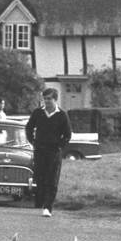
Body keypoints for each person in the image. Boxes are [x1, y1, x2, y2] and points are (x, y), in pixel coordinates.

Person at [25, 86, 72, 216]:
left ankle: (48, 207)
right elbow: (29, 128)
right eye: (45, 98)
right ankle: (40, 201)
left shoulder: (62, 115)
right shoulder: (38, 113)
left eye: (49, 99)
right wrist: (33, 141)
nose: (46, 101)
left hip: (54, 152)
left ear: (55, 100)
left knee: (52, 179)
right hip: (39, 150)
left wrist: (59, 146)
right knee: (40, 178)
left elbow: (67, 134)